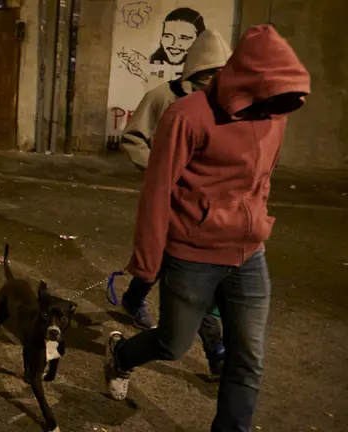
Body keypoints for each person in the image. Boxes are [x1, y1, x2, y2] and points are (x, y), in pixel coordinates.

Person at [104, 24, 310, 432]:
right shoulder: (184, 114)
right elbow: (156, 191)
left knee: (247, 360)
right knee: (172, 344)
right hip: (191, 253)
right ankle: (122, 355)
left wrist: (256, 220)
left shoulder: (276, 115)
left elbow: (262, 179)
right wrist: (146, 264)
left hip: (250, 256)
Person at [120, 29, 232, 377]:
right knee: (168, 264)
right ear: (194, 72)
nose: (216, 81)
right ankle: (137, 298)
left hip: (207, 209)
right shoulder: (163, 97)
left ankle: (216, 350)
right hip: (168, 201)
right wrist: (161, 171)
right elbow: (133, 137)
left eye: (222, 73)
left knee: (191, 276)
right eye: (210, 74)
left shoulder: (227, 104)